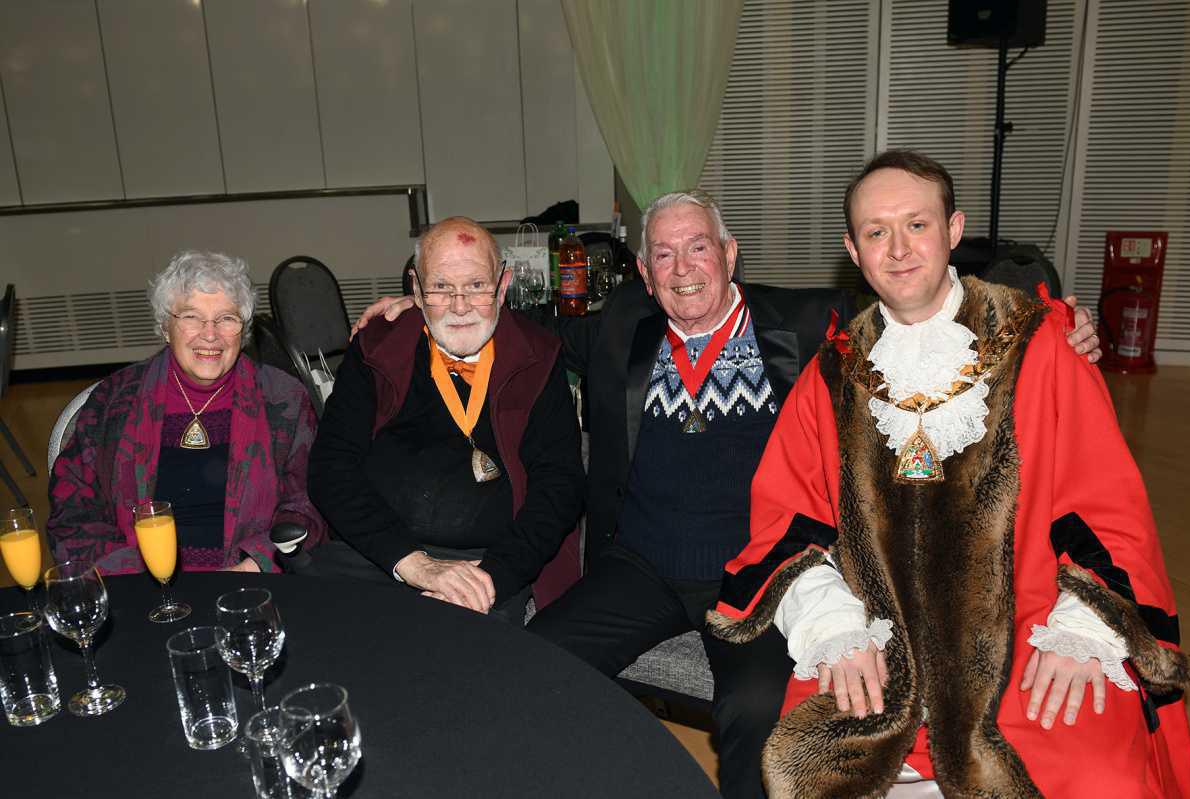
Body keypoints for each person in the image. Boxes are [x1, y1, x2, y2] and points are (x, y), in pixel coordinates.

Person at [353, 192, 1101, 798]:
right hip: (637, 568)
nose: (683, 269)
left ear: (730, 253)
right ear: (645, 274)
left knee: (753, 710)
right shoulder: (623, 327)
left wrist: (1050, 319)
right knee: (535, 660)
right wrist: (411, 306)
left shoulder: (805, 322)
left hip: (756, 574)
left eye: (698, 246)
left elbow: (923, 291)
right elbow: (501, 317)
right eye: (665, 255)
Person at [707, 150, 1190, 797]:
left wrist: (1080, 629)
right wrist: (837, 628)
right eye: (877, 231)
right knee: (817, 769)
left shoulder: (1040, 346)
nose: (899, 248)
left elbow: (1110, 509)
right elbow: (787, 520)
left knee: (1099, 772)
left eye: (917, 224)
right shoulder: (834, 373)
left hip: (1028, 633)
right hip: (887, 644)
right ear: (853, 250)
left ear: (954, 230)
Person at [307, 217, 585, 625]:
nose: (459, 306)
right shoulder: (378, 348)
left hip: (486, 565)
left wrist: (493, 576)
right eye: (440, 287)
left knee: (460, 673)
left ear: (503, 286)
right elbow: (330, 468)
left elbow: (559, 488)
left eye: (476, 286)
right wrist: (413, 563)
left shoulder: (538, 357)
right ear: (416, 290)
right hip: (379, 555)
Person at [48, 250, 326, 574]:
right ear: (166, 326)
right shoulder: (113, 400)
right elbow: (71, 511)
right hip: (141, 590)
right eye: (191, 317)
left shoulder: (284, 399)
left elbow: (309, 502)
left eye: (227, 318)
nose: (210, 334)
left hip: (248, 583)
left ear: (244, 330)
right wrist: (137, 577)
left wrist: (257, 564)